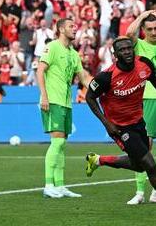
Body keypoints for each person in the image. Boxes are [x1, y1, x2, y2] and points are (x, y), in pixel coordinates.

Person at [85, 37, 156, 203]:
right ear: (115, 54)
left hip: (139, 121)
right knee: (150, 165)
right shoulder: (106, 77)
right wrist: (106, 123)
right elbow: (89, 97)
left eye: (129, 48)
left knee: (140, 166)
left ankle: (98, 160)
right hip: (120, 127)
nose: (127, 52)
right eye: (122, 50)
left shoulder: (144, 64)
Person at [37, 18, 87, 198]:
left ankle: (60, 185)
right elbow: (40, 70)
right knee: (57, 142)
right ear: (60, 29)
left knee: (62, 144)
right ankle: (48, 184)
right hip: (53, 100)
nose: (75, 29)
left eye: (75, 26)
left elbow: (83, 78)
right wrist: (44, 96)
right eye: (71, 26)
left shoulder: (74, 54)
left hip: (67, 102)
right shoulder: (52, 47)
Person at [125, 10, 156, 204]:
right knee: (143, 147)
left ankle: (155, 190)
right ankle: (139, 192)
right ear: (143, 30)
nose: (154, 32)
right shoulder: (139, 45)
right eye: (150, 29)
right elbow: (128, 34)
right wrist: (143, 14)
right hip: (145, 99)